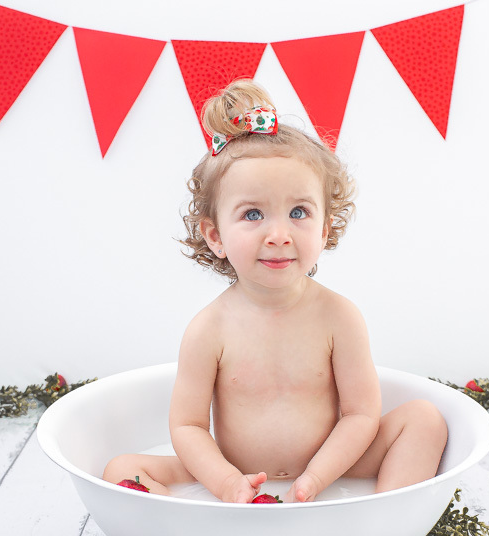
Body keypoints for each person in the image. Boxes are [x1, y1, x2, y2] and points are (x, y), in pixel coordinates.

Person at [104, 79, 447, 503]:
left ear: (323, 229)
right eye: (253, 214)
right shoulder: (208, 329)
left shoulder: (339, 318)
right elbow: (188, 428)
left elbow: (360, 415)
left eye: (299, 212)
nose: (280, 234)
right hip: (236, 468)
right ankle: (196, 529)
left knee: (425, 420)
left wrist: (318, 477)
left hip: (336, 461)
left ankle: (384, 519)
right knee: (121, 470)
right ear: (215, 236)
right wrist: (227, 482)